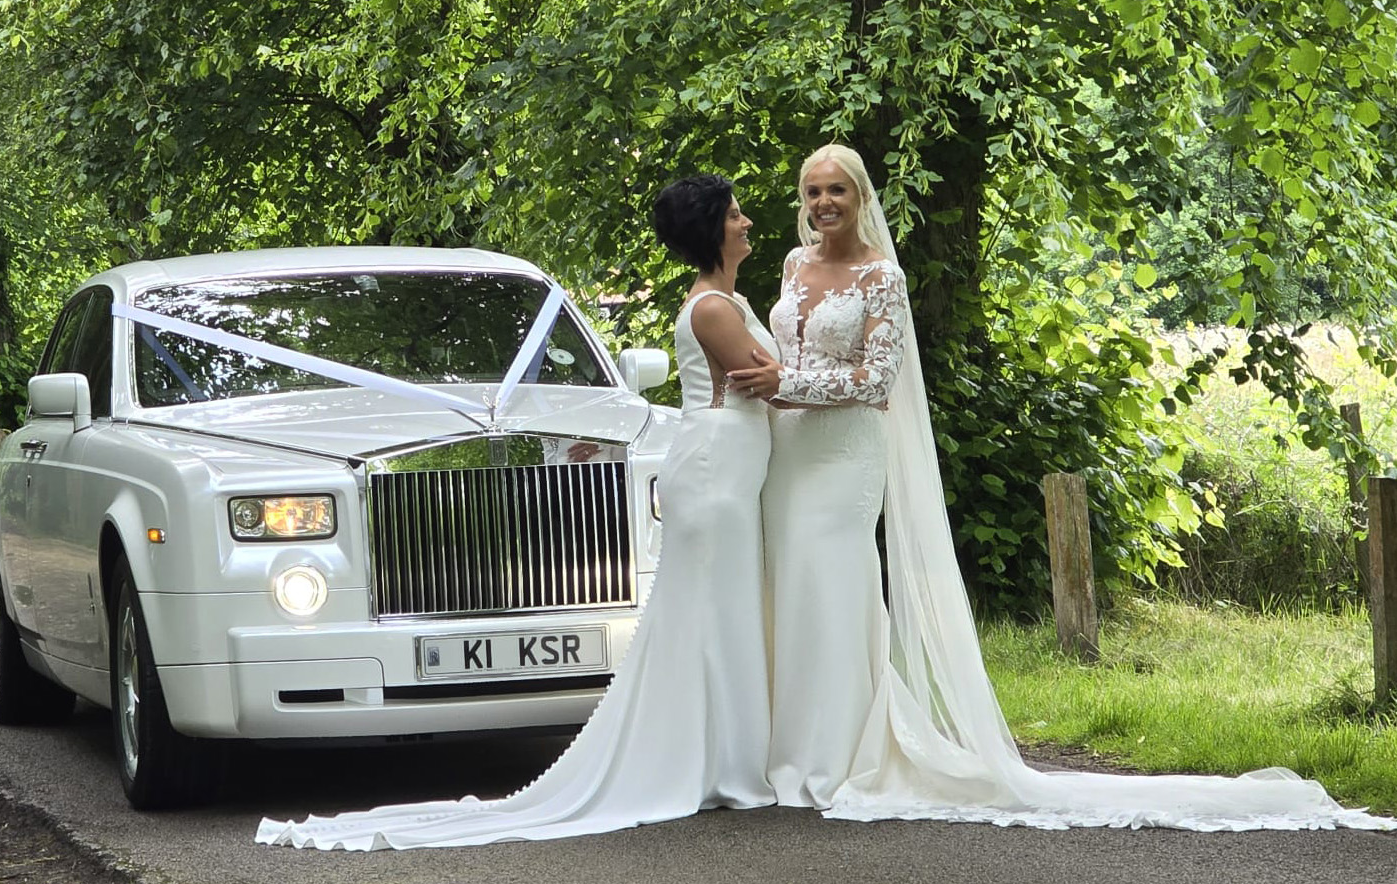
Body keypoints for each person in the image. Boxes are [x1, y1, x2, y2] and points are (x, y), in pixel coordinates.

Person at [725, 143, 1394, 829]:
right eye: (811, 193)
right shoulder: (793, 265)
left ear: (861, 196)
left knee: (836, 588)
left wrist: (788, 384)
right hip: (791, 453)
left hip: (843, 459)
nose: (822, 204)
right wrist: (767, 381)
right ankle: (790, 749)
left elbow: (875, 380)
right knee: (792, 586)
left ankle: (835, 756)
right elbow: (793, 353)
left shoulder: (883, 277)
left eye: (836, 190)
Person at [256, 174, 784, 850]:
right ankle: (725, 766)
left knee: (724, 609)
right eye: (736, 213)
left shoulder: (728, 300)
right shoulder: (712, 308)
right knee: (716, 612)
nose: (745, 221)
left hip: (728, 469)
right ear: (714, 228)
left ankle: (726, 755)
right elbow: (767, 381)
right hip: (714, 470)